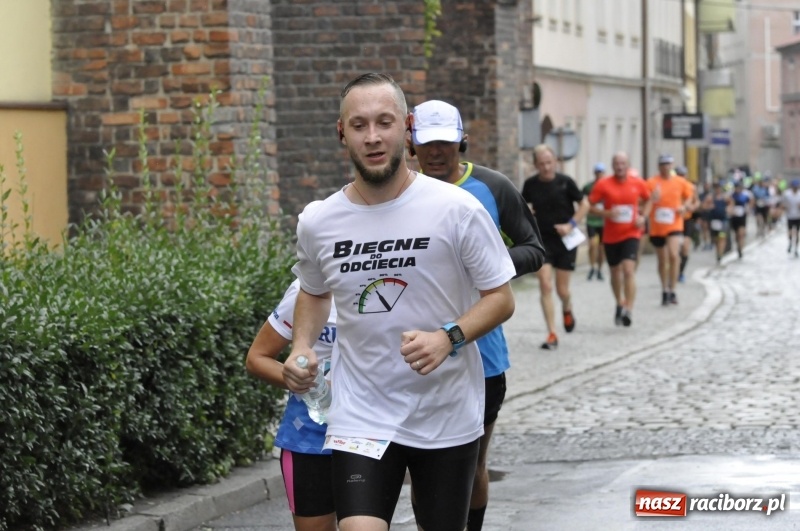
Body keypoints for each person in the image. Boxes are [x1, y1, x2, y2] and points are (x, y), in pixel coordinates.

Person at [283, 73, 516, 531]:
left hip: (445, 411)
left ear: (405, 128)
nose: (372, 137)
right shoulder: (318, 220)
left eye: (384, 123)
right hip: (362, 413)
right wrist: (301, 348)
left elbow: (501, 298)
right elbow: (313, 291)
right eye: (359, 125)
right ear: (341, 132)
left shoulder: (455, 209)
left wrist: (449, 338)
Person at [408, 99, 545, 531]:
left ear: (462, 141)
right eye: (427, 143)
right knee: (422, 465)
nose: (435, 152)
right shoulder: (396, 192)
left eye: (445, 143)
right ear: (412, 144)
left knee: (472, 462)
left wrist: (491, 262)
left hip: (483, 355)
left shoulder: (492, 186)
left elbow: (535, 249)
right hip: (416, 353)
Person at [245, 279, 338, 531]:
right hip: (310, 437)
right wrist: (304, 382)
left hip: (374, 433)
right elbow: (257, 358)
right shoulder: (306, 288)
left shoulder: (394, 277)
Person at [521, 144, 589, 350]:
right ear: (535, 165)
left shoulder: (566, 183)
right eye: (541, 164)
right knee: (545, 285)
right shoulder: (531, 184)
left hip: (565, 241)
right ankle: (552, 333)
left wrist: (571, 225)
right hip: (542, 240)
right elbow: (523, 206)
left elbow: (584, 205)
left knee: (562, 289)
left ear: (555, 162)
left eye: (549, 163)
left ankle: (567, 308)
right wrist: (528, 215)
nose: (546, 167)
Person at [587, 152, 651, 327]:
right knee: (615, 273)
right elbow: (589, 205)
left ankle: (629, 309)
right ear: (613, 166)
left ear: (628, 165)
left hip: (631, 233)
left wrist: (643, 216)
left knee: (628, 270)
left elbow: (649, 199)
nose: (620, 166)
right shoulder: (603, 184)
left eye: (623, 163)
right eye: (616, 163)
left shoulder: (638, 183)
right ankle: (619, 302)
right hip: (611, 236)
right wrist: (606, 213)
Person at [646, 155, 695, 305]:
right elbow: (643, 200)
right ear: (658, 166)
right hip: (657, 226)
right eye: (663, 164)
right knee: (662, 260)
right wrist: (652, 199)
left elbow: (690, 196)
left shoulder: (680, 182)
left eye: (668, 164)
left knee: (674, 255)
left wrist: (684, 206)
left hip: (675, 224)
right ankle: (664, 289)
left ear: (672, 166)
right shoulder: (651, 183)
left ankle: (673, 290)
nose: (666, 167)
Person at [674, 165, 699, 283]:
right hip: (674, 219)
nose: (681, 177)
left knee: (685, 247)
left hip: (687, 220)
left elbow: (696, 202)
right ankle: (674, 271)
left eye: (683, 175)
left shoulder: (691, 187)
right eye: (679, 175)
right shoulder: (672, 186)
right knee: (675, 248)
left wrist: (692, 207)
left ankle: (681, 272)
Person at [582, 163, 607, 281]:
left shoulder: (609, 186)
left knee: (602, 248)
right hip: (592, 220)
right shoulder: (588, 187)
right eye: (597, 172)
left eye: (601, 172)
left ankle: (600, 269)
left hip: (603, 221)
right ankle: (592, 266)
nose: (599, 175)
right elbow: (583, 201)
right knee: (592, 244)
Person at [700, 181, 732, 264]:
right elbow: (703, 206)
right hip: (714, 221)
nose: (718, 189)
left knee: (722, 237)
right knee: (715, 239)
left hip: (723, 220)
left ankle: (720, 254)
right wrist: (709, 207)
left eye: (719, 188)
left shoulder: (725, 197)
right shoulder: (710, 197)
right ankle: (718, 252)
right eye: (716, 188)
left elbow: (731, 204)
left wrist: (729, 209)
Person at [729, 180, 753, 259]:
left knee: (741, 234)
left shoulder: (745, 195)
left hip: (742, 216)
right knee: (736, 235)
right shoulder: (731, 195)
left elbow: (751, 202)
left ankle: (740, 249)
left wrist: (748, 208)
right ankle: (738, 245)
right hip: (734, 217)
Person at [781, 178, 800, 257]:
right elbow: (783, 204)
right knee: (790, 232)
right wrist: (785, 207)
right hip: (790, 216)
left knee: (797, 233)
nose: (795, 188)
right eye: (794, 187)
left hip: (798, 216)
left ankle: (795, 248)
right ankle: (790, 242)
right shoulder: (787, 194)